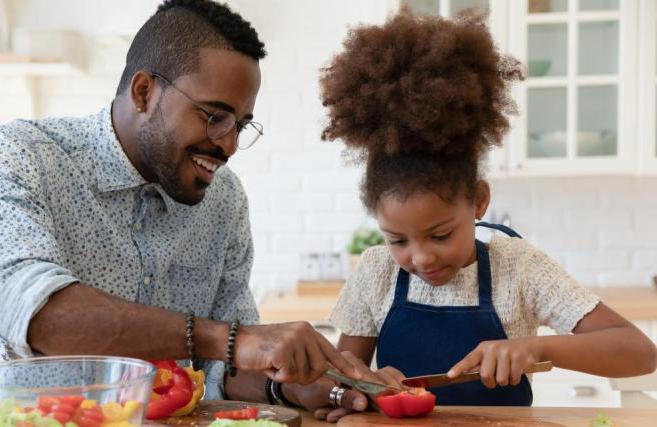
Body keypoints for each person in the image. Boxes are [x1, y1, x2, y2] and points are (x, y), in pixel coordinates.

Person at [0, 0, 361, 402]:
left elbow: (225, 368)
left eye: (240, 126)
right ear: (143, 92)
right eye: (214, 116)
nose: (229, 144)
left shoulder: (224, 199)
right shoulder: (19, 155)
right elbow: (40, 318)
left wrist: (301, 385)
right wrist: (224, 338)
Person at [279, 7, 657, 422]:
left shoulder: (521, 268)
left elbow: (639, 352)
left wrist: (536, 347)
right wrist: (359, 387)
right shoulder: (375, 272)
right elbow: (343, 375)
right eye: (398, 240)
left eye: (440, 235)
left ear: (478, 201)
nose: (421, 258)